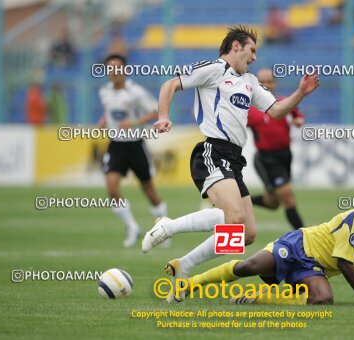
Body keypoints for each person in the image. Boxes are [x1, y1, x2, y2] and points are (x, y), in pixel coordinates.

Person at [141, 25, 320, 302]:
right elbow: (170, 84)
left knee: (246, 234)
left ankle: (183, 265)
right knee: (234, 220)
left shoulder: (249, 81)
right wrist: (163, 116)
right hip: (212, 151)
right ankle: (168, 226)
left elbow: (276, 110)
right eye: (252, 50)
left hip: (235, 159)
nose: (255, 57)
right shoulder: (214, 69)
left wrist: (301, 93)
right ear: (236, 46)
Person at [187, 193, 354, 305]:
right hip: (298, 245)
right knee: (250, 267)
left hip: (313, 268)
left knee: (323, 300)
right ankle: (191, 283)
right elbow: (343, 262)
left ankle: (257, 298)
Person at [98, 54, 168, 248]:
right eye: (110, 68)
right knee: (112, 188)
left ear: (125, 70)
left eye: (118, 67)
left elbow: (155, 111)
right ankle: (132, 227)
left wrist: (134, 123)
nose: (114, 71)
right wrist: (104, 120)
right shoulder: (104, 91)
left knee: (148, 189)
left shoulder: (136, 92)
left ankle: (163, 231)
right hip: (116, 145)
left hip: (135, 144)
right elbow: (108, 109)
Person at [248, 68, 305, 230]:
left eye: (269, 81)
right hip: (267, 159)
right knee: (289, 200)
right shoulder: (249, 109)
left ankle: (241, 200)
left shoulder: (283, 102)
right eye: (262, 82)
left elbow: (297, 115)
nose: (266, 85)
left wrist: (298, 120)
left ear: (275, 83)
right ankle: (304, 237)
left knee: (273, 203)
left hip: (285, 157)